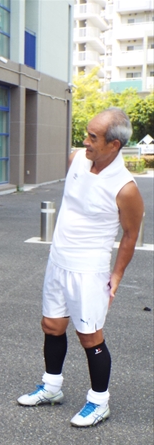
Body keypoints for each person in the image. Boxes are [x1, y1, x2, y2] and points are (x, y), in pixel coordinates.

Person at [17, 108, 144, 427]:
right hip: (58, 261)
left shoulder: (126, 188)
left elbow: (130, 236)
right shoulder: (77, 160)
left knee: (90, 337)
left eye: (93, 137)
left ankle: (99, 402)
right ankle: (51, 387)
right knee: (51, 325)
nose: (85, 141)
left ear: (114, 145)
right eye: (87, 134)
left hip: (89, 271)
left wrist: (117, 275)